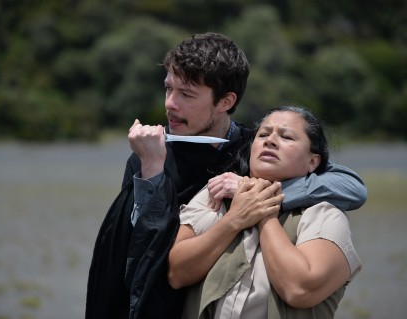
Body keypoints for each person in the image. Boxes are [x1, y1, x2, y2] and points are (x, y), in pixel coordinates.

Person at [85, 33, 366, 319]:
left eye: (187, 94)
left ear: (225, 101)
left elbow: (352, 187)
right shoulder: (149, 152)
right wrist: (153, 171)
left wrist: (253, 191)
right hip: (155, 302)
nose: (170, 103)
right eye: (168, 89)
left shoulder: (252, 148)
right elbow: (143, 247)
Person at [168, 106, 362, 319]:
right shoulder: (216, 193)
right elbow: (177, 273)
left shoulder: (323, 215)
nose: (270, 140)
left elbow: (299, 289)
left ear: (313, 161)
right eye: (263, 134)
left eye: (287, 137)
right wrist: (233, 220)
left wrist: (263, 210)